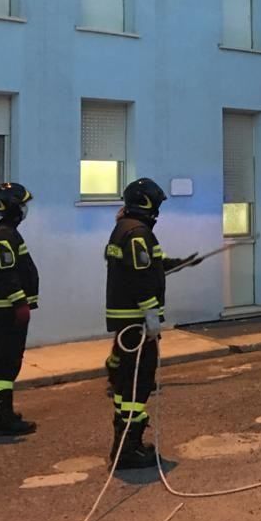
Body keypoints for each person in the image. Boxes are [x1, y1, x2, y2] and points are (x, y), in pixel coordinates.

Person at [105, 178, 200, 469]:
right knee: (138, 380)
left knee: (127, 381)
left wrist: (180, 263)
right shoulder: (137, 233)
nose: (158, 210)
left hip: (127, 320)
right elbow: (141, 277)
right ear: (147, 203)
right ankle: (128, 449)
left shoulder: (127, 229)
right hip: (136, 322)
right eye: (156, 204)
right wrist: (150, 314)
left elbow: (149, 266)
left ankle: (125, 443)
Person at [0, 182, 39, 436]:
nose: (25, 209)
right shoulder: (3, 235)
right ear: (12, 207)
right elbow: (7, 273)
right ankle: (3, 416)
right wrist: (20, 303)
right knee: (7, 361)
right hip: (8, 310)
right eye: (22, 204)